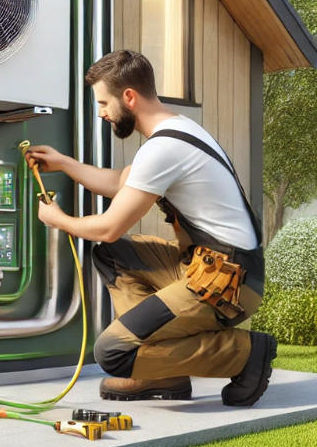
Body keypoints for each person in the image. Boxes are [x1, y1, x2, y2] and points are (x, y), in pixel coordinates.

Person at [26, 49, 275, 406]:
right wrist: (64, 164)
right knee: (114, 256)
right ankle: (162, 373)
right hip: (210, 268)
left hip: (227, 282)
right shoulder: (177, 131)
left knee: (113, 353)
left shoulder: (165, 147)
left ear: (129, 97)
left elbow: (109, 226)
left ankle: (245, 353)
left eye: (103, 102)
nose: (102, 113)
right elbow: (117, 183)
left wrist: (58, 219)